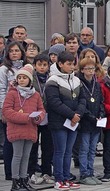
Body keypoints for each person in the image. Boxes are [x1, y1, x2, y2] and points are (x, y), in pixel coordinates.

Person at [45, 51, 85, 190]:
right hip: (59, 122)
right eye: (68, 64)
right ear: (60, 64)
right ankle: (59, 179)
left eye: (73, 63)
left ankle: (67, 178)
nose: (72, 67)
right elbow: (54, 102)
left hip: (74, 122)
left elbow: (82, 99)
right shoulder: (53, 81)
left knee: (68, 151)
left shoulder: (76, 80)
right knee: (60, 151)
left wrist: (78, 114)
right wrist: (71, 115)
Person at [4, 64, 45, 191]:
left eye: (24, 77)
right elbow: (7, 111)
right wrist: (26, 117)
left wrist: (38, 117)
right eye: (19, 77)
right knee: (17, 155)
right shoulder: (12, 93)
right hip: (17, 129)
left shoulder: (36, 95)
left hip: (30, 129)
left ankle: (24, 179)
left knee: (26, 156)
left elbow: (41, 109)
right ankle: (15, 181)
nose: (21, 80)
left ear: (29, 80)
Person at [75, 57, 105, 186]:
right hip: (86, 122)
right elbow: (81, 104)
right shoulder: (79, 84)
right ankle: (84, 173)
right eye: (87, 69)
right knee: (84, 149)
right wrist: (91, 117)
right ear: (82, 70)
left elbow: (101, 102)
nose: (90, 71)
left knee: (93, 149)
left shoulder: (96, 84)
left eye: (92, 68)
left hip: (97, 121)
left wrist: (101, 114)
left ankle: (91, 171)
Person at [1, 41, 28, 181]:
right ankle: (10, 173)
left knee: (23, 142)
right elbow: (2, 90)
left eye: (17, 50)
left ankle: (23, 172)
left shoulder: (26, 67)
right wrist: (3, 110)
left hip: (25, 109)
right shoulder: (4, 69)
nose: (14, 53)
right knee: (10, 141)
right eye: (11, 51)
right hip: (10, 109)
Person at [27, 54, 55, 185]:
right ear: (34, 66)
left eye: (45, 65)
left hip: (48, 116)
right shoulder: (30, 79)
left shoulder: (51, 79)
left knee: (48, 146)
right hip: (34, 116)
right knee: (33, 146)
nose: (42, 67)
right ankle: (31, 172)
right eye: (39, 65)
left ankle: (46, 172)